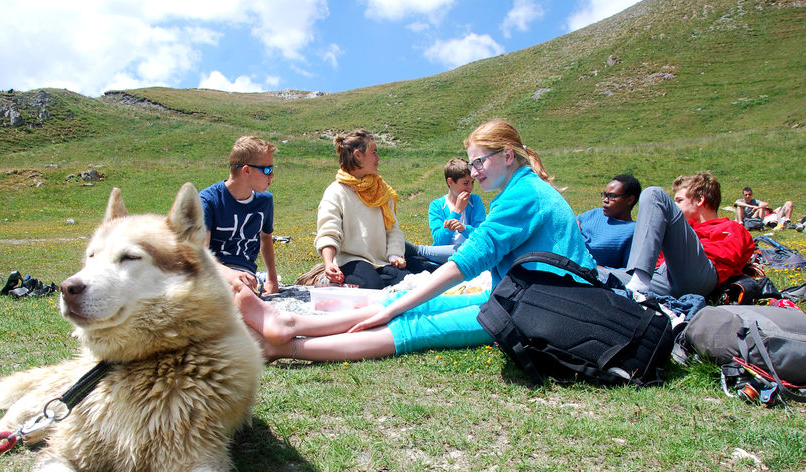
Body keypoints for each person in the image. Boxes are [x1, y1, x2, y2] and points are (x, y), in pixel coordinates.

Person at [236, 119, 596, 362]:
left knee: (412, 322)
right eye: (471, 165)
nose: (474, 172)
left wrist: (395, 307)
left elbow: (467, 260)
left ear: (506, 155)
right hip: (520, 295)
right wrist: (399, 301)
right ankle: (289, 325)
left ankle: (284, 347)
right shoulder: (522, 188)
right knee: (406, 302)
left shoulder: (524, 195)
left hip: (545, 305)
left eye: (480, 162)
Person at [608, 172, 754, 298]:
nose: (674, 205)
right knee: (591, 274)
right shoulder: (684, 229)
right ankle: (637, 285)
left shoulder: (731, 227)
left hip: (700, 276)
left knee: (653, 194)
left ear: (699, 200)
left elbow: (727, 260)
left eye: (679, 200)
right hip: (662, 277)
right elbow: (658, 262)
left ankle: (638, 286)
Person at [314, 129, 411, 289]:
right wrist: (329, 263)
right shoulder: (336, 192)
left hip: (381, 262)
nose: (378, 158)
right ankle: (329, 280)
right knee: (371, 285)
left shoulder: (381, 190)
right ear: (358, 155)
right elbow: (329, 232)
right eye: (374, 153)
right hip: (350, 261)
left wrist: (395, 254)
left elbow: (393, 229)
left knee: (410, 284)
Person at [200, 135, 279, 294]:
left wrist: (272, 280)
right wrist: (231, 275)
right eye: (267, 170)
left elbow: (265, 237)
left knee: (242, 293)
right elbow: (201, 254)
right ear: (247, 170)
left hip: (245, 276)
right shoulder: (208, 201)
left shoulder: (265, 201)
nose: (271, 176)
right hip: (212, 272)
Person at [405, 157, 486, 266]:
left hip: (471, 252)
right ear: (450, 181)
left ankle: (419, 251)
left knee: (468, 250)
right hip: (443, 254)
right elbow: (439, 241)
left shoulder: (475, 201)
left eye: (472, 182)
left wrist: (464, 228)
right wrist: (456, 212)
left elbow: (481, 236)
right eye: (466, 183)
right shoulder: (437, 205)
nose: (470, 188)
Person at [576, 174, 641, 268]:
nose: (605, 200)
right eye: (604, 195)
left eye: (611, 196)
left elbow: (628, 272)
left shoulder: (633, 231)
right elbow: (570, 224)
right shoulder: (593, 214)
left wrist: (596, 269)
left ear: (629, 200)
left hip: (590, 276)